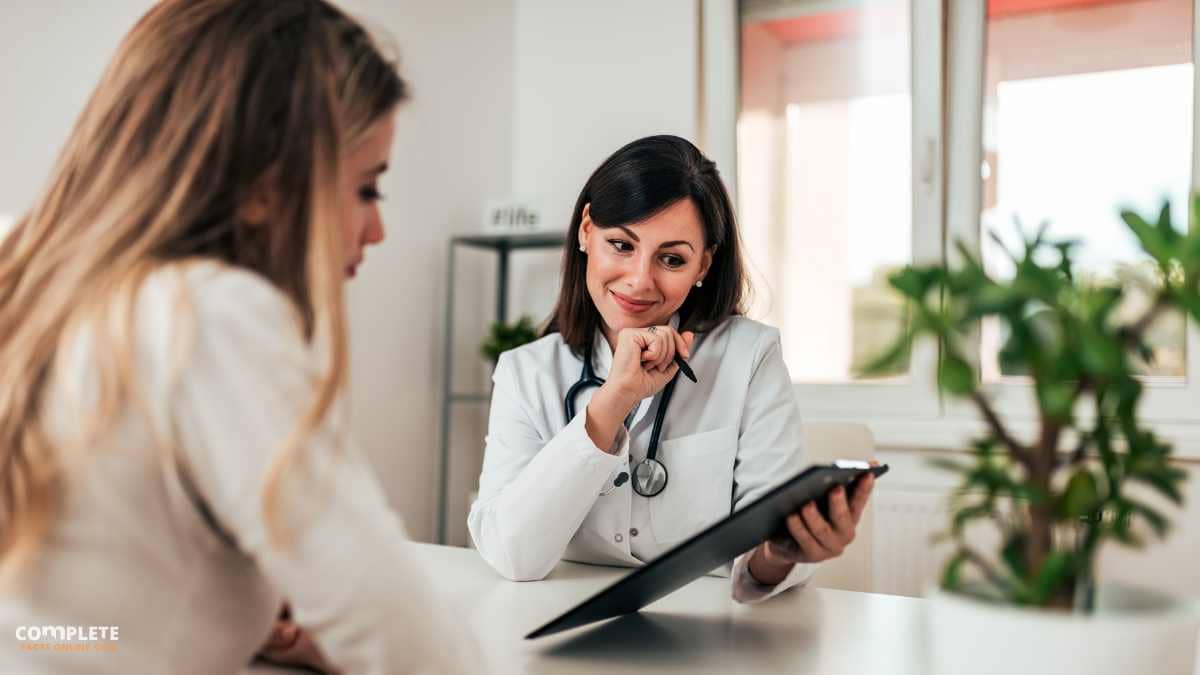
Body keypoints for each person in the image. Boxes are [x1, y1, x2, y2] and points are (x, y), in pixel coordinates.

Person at [0, 1, 476, 673]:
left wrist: (194, 620)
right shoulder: (206, 316)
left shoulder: (22, 269)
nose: (376, 230)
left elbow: (50, 632)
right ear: (263, 186)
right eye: (368, 189)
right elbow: (410, 639)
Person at [468, 135, 876, 601]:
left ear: (704, 263)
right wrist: (612, 400)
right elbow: (512, 555)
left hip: (711, 632)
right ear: (586, 231)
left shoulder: (749, 355)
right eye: (621, 244)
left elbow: (758, 551)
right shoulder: (526, 372)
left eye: (672, 259)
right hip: (557, 620)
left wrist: (782, 553)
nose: (640, 280)